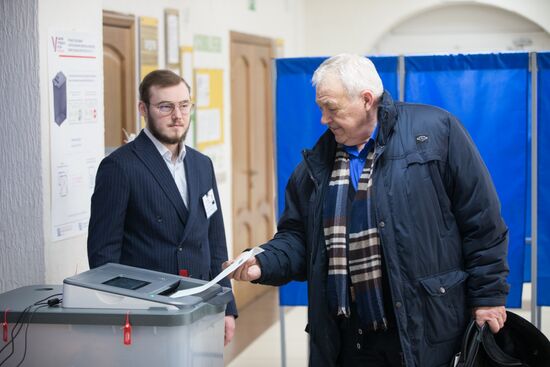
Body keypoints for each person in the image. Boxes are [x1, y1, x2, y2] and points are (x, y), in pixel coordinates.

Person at [226, 54, 509, 366]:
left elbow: (482, 222)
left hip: (424, 323)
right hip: (348, 335)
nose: (323, 119)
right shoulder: (315, 167)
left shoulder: (436, 132)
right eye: (321, 108)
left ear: (366, 99)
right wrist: (262, 262)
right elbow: (298, 238)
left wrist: (488, 297)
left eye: (330, 108)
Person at [88, 69, 236, 345]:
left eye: (184, 105)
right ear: (143, 109)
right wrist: (119, 317)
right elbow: (103, 256)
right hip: (146, 313)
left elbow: (215, 241)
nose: (177, 116)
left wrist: (227, 306)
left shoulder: (202, 164)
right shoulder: (120, 166)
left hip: (201, 304)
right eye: (165, 107)